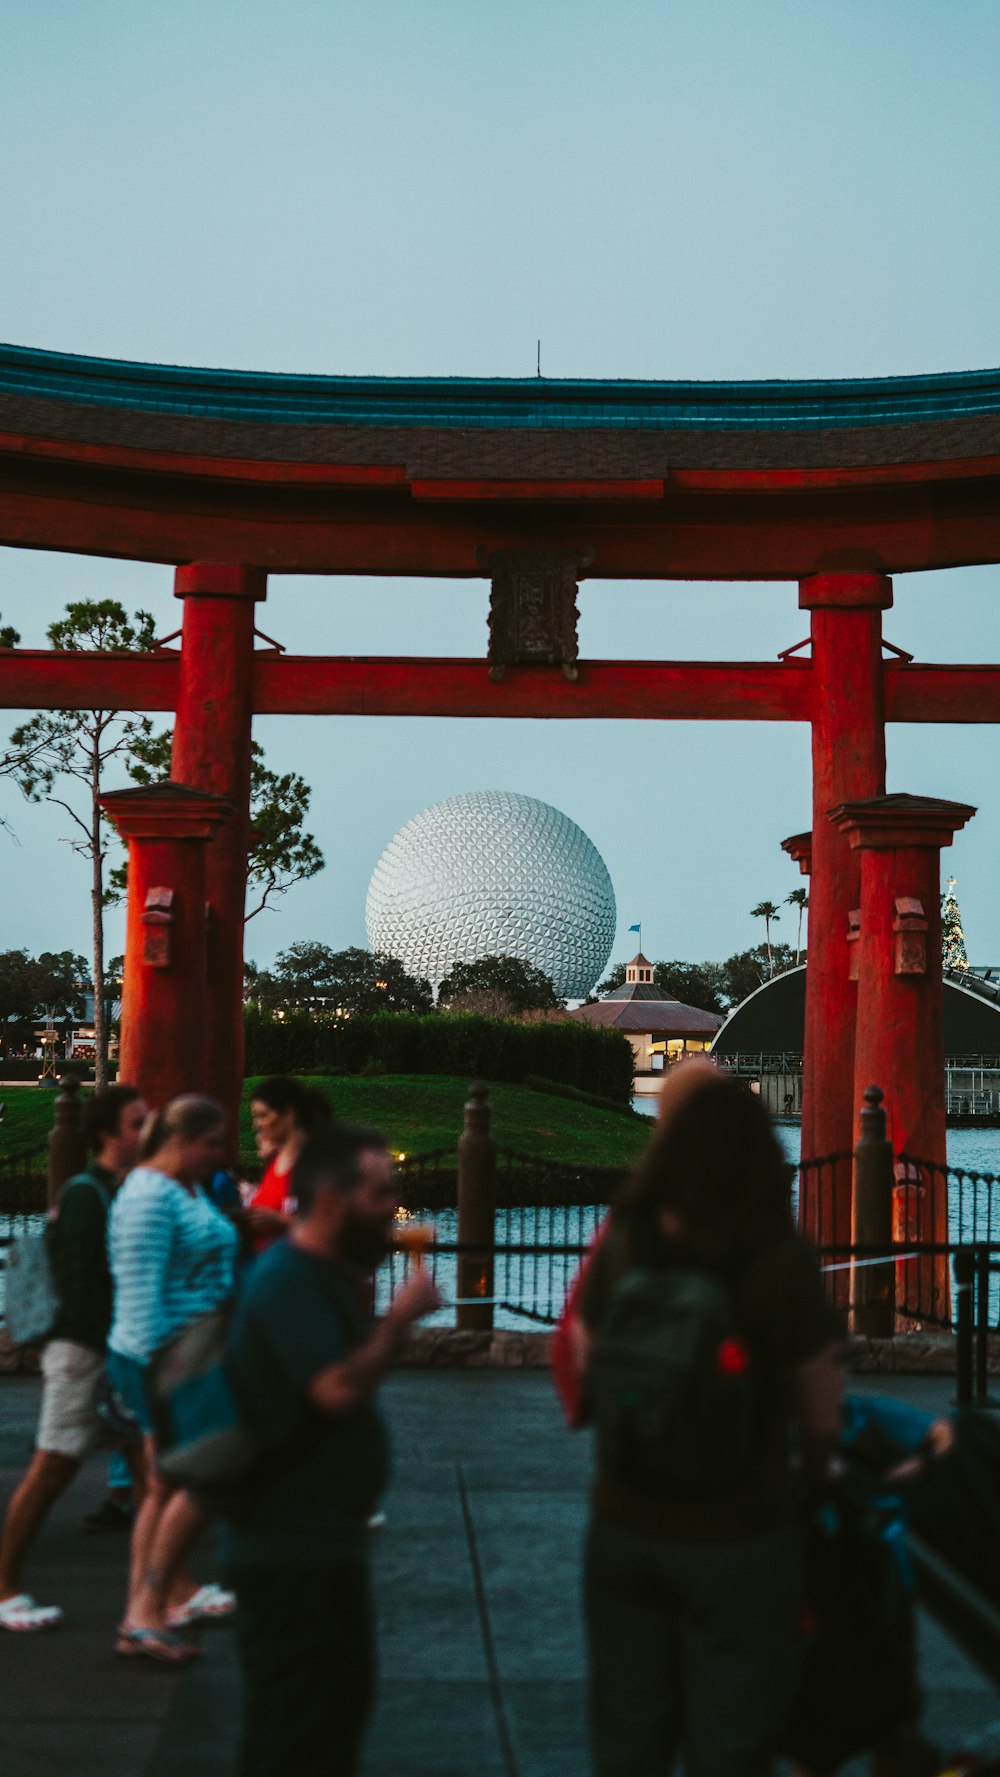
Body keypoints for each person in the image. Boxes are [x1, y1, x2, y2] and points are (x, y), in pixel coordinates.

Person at [564, 1060, 844, 1777]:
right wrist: (818, 1471)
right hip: (740, 1527)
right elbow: (820, 1409)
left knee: (628, 1740)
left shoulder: (627, 1236)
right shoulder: (778, 1257)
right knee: (733, 1740)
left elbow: (586, 1358)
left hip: (626, 1519)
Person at [214, 1120, 440, 1777]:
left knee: (332, 1713)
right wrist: (399, 1320)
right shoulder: (288, 1281)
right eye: (380, 1194)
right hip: (289, 1549)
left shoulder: (320, 1274)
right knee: (295, 1728)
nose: (392, 1209)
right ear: (335, 1201)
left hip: (323, 1540)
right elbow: (335, 1388)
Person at [0, 1084, 148, 1631]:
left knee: (150, 1473)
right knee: (51, 1469)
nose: (146, 1133)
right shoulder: (89, 1195)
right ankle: (4, 1587)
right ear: (109, 1135)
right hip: (84, 1355)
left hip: (108, 1352)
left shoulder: (116, 1188)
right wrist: (118, 1352)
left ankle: (168, 1588)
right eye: (137, 1124)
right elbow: (85, 1288)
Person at [107, 1094, 240, 1663]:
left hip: (193, 1355)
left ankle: (144, 1614)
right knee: (197, 1480)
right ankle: (146, 1609)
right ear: (180, 1140)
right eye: (212, 1143)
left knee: (165, 1487)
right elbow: (140, 1303)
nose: (221, 1154)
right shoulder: (148, 1196)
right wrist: (165, 1386)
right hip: (163, 1362)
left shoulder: (186, 1188)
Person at [245, 1077, 332, 1252]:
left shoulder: (316, 1167)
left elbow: (333, 1226)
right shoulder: (274, 1162)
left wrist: (278, 1220)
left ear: (289, 1114)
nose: (257, 1124)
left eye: (263, 1115)